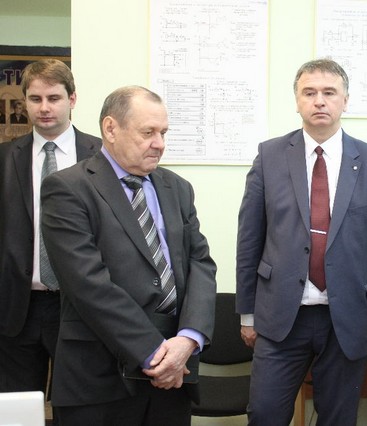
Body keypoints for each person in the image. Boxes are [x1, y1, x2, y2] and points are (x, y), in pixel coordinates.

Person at [236, 58, 367, 426]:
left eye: (329, 92)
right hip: (281, 316)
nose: (319, 101)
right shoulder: (269, 156)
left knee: (338, 419)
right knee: (264, 414)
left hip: (348, 318)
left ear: (346, 100)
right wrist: (247, 314)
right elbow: (249, 239)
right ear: (297, 101)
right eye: (309, 93)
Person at [40, 86, 217, 426]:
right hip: (100, 380)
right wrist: (155, 354)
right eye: (148, 133)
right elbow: (88, 284)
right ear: (111, 128)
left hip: (174, 375)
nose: (159, 143)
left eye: (163, 133)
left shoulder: (177, 188)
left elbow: (200, 265)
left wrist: (188, 339)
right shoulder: (68, 188)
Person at [0, 59, 101, 424]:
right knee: (17, 411)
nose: (44, 108)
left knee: (79, 409)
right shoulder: (5, 158)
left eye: (54, 98)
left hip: (80, 307)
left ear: (72, 99)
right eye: (35, 98)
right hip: (17, 309)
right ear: (25, 101)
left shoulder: (102, 155)